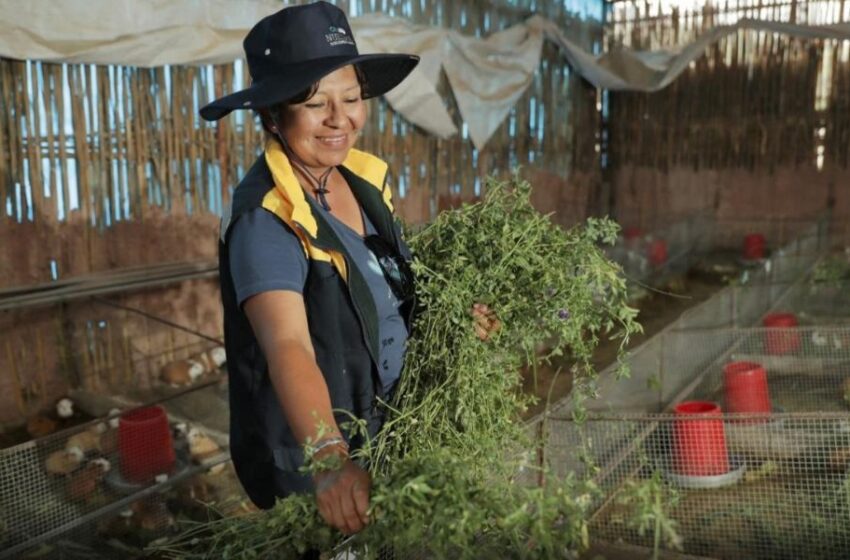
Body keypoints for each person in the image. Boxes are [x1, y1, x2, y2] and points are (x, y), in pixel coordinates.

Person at [201, 1, 498, 539]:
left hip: (388, 430)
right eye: (315, 104)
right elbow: (288, 344)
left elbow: (387, 291)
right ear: (272, 115)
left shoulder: (363, 183)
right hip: (318, 458)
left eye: (353, 98)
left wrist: (457, 322)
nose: (341, 119)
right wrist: (328, 456)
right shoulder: (266, 219)